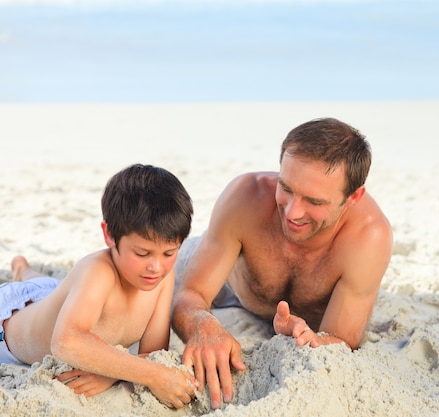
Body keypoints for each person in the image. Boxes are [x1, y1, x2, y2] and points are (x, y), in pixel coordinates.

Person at [171, 117, 393, 410]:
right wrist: (203, 325)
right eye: (286, 187)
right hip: (229, 278)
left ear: (353, 197)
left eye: (313, 201)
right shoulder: (245, 196)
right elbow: (190, 295)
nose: (292, 211)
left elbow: (341, 341)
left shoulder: (368, 237)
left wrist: (309, 339)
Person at [0, 164, 198, 409]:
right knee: (37, 290)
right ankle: (22, 271)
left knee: (43, 286)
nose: (156, 267)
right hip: (7, 320)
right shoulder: (98, 272)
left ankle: (22, 268)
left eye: (169, 252)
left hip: (54, 295)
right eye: (142, 253)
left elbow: (154, 353)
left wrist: (113, 372)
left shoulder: (161, 278)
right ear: (109, 236)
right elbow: (66, 341)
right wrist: (154, 375)